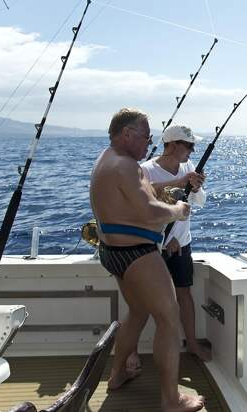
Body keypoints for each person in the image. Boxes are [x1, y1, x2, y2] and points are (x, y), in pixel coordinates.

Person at [89, 108, 204, 412]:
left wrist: (176, 183)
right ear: (126, 134)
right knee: (168, 317)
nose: (149, 142)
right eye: (145, 136)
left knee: (138, 311)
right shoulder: (126, 165)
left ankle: (117, 375)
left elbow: (144, 192)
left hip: (112, 253)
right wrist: (178, 211)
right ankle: (171, 399)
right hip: (137, 252)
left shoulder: (109, 160)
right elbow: (150, 212)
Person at [124, 124, 210, 370]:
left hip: (182, 243)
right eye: (188, 146)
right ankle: (131, 352)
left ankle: (192, 343)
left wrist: (195, 188)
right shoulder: (146, 170)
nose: (192, 151)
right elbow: (142, 206)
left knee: (185, 294)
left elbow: (199, 202)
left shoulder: (188, 167)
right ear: (172, 145)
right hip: (153, 248)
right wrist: (163, 240)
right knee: (141, 305)